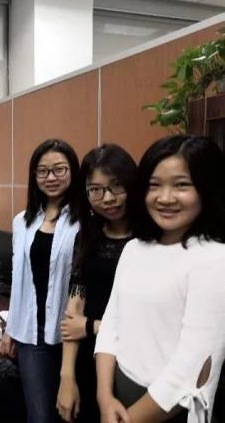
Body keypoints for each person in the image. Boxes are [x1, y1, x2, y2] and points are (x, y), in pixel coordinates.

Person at [95, 135, 225, 423]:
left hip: (169, 411)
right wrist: (104, 397)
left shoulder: (215, 259)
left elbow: (191, 368)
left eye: (181, 185)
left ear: (206, 188)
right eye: (154, 185)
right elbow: (111, 325)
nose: (165, 198)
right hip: (117, 397)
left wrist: (128, 420)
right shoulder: (134, 248)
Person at [0, 139, 81, 423]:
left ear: (73, 171)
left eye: (59, 169)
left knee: (74, 414)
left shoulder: (85, 220)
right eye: (43, 171)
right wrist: (11, 329)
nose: (51, 177)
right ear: (34, 176)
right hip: (32, 336)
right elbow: (19, 279)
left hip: (72, 333)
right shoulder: (22, 221)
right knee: (40, 416)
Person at [56, 144, 136, 423]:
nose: (108, 198)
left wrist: (92, 326)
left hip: (133, 361)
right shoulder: (87, 236)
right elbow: (74, 310)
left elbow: (152, 321)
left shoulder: (150, 238)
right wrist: (67, 376)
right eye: (96, 190)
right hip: (88, 357)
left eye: (117, 186)